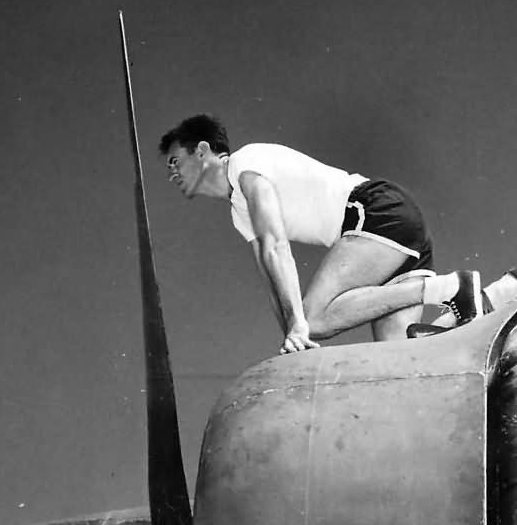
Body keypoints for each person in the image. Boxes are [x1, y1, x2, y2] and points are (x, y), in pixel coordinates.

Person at [159, 114, 484, 354]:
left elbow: (276, 246)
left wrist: (301, 325)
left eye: (175, 160)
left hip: (377, 213)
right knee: (397, 361)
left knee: (312, 317)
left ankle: (449, 287)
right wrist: (293, 339)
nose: (171, 172)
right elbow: (273, 283)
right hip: (389, 239)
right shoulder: (239, 212)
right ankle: (508, 289)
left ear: (202, 151)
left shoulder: (247, 165)